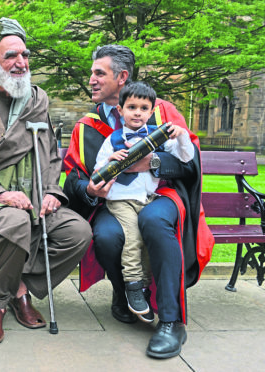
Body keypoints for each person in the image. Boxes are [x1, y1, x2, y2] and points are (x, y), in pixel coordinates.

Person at [63, 44, 214, 359]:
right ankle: (126, 293)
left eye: (98, 73)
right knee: (105, 236)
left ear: (122, 77)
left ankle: (172, 321)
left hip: (161, 193)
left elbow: (191, 162)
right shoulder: (86, 127)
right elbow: (72, 178)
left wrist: (153, 163)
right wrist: (90, 191)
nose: (90, 79)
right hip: (116, 201)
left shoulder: (162, 112)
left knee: (153, 221)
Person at [0, 15, 91, 344]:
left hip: (34, 198)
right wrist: (1, 195)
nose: (21, 62)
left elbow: (49, 155)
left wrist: (53, 191)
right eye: (10, 55)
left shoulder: (38, 100)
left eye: (25, 55)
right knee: (15, 222)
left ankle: (21, 287)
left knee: (78, 232)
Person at [94, 81, 195, 320]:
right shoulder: (112, 140)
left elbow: (186, 157)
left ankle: (143, 287)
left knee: (150, 240)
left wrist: (181, 137)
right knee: (132, 239)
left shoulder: (159, 137)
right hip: (120, 201)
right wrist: (111, 160)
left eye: (143, 108)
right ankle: (132, 285)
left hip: (147, 199)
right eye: (131, 107)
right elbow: (97, 172)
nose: (137, 112)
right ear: (120, 110)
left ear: (151, 112)